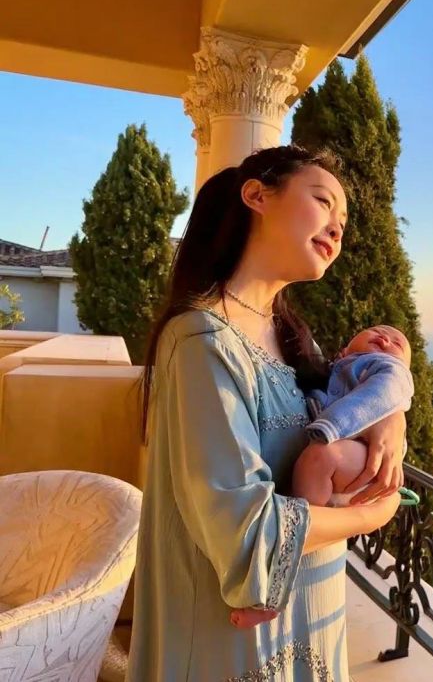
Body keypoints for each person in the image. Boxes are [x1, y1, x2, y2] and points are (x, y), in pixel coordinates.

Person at [127, 145, 406, 681]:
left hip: (311, 610)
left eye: (344, 220)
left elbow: (355, 398)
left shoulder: (291, 337)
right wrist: (375, 514)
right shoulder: (203, 341)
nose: (337, 227)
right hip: (233, 637)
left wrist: (391, 417)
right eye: (323, 201)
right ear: (256, 195)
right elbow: (246, 531)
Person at [229, 323, 416, 630]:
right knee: (314, 468)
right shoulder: (334, 369)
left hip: (360, 449)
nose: (386, 337)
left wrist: (330, 426)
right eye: (378, 331)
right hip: (349, 447)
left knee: (319, 460)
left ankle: (276, 579)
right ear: (344, 350)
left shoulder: (386, 369)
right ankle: (292, 548)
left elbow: (381, 395)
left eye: (398, 343)